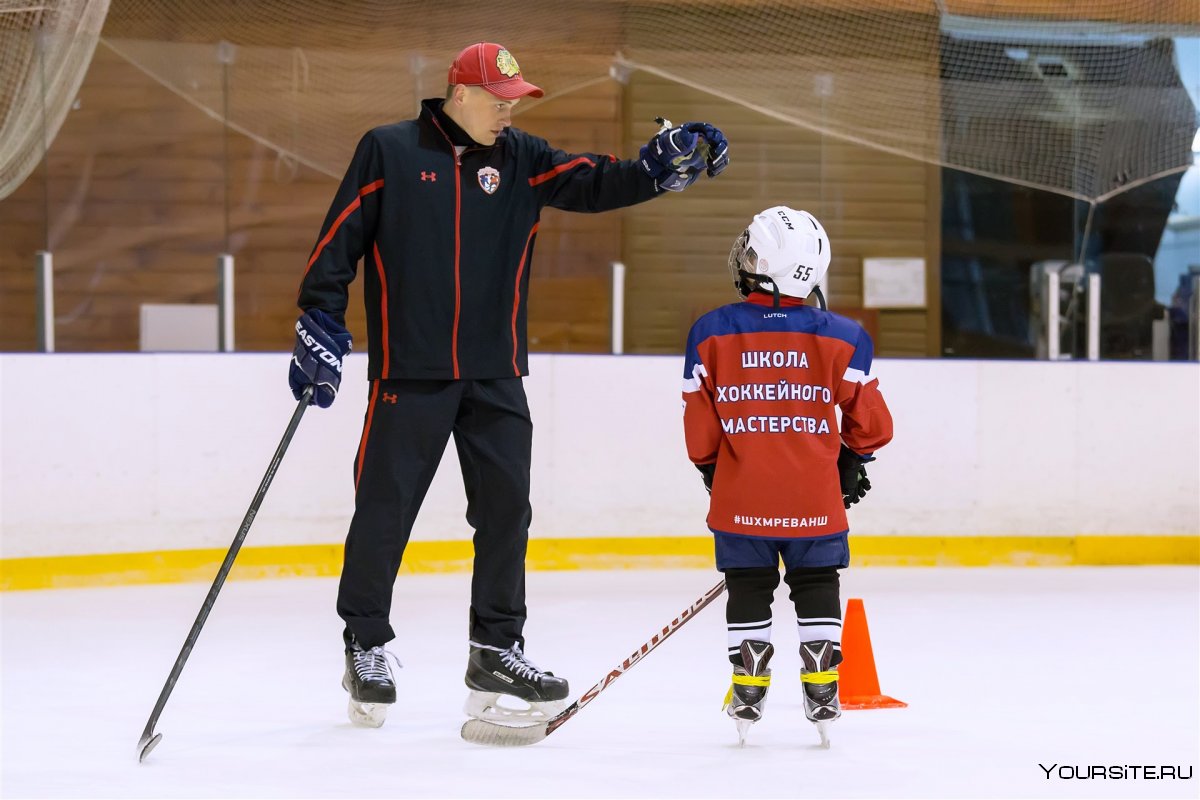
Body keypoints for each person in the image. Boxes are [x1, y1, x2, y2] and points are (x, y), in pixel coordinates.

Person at [288, 41, 730, 728]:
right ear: (459, 94)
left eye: (514, 102)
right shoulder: (391, 151)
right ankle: (365, 641)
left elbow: (596, 181)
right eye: (498, 101)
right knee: (385, 509)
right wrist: (319, 311)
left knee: (506, 513)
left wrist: (657, 168)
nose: (507, 113)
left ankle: (495, 647)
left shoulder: (522, 159)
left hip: (496, 371)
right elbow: (341, 236)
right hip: (412, 369)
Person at [680, 206, 893, 747]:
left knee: (749, 586)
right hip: (816, 502)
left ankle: (748, 684)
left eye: (751, 250)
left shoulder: (709, 333)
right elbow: (873, 425)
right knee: (818, 582)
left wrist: (713, 471)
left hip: (740, 501)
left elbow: (700, 435)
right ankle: (821, 684)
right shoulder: (845, 337)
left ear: (764, 263)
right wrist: (852, 460)